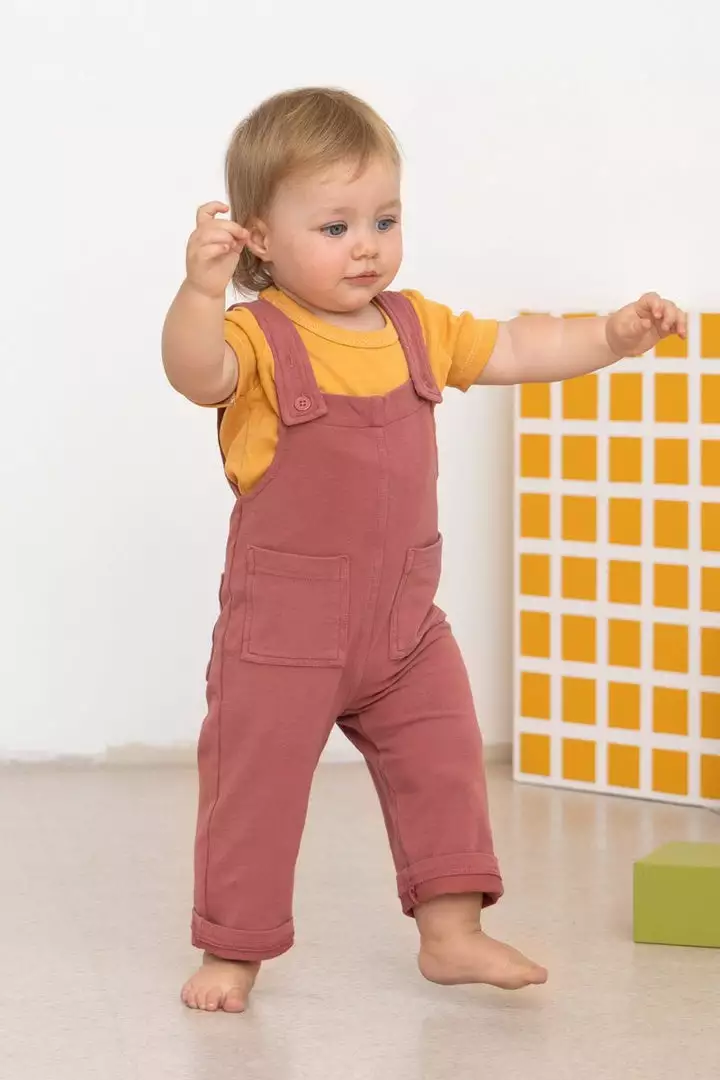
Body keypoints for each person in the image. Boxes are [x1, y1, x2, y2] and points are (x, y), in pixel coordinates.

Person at [161, 87, 686, 1014]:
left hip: (403, 627)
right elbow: (194, 373)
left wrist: (611, 336)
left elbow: (517, 346)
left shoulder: (416, 327)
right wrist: (201, 295)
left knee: (445, 762)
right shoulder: (254, 338)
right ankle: (234, 950)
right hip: (284, 635)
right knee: (255, 790)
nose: (366, 245)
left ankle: (451, 933)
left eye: (385, 219)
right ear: (259, 240)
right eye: (335, 226)